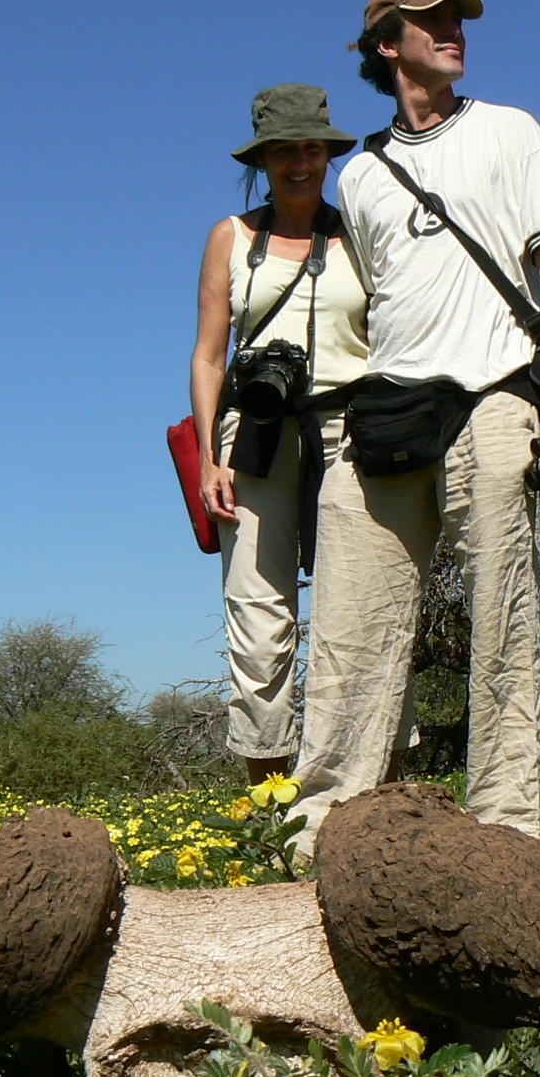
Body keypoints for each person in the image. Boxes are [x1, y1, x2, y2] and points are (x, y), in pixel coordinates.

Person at [292, 0, 540, 849]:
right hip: (388, 408)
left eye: (458, 18)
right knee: (349, 618)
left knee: (502, 610)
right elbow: (373, 306)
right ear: (389, 45)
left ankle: (506, 827)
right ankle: (323, 825)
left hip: (496, 394)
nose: (453, 30)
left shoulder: (511, 131)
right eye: (432, 21)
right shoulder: (362, 176)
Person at [190, 84, 384, 785]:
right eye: (284, 151)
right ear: (264, 160)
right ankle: (270, 801)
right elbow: (210, 353)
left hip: (352, 431)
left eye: (312, 148)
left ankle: (369, 793)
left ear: (328, 154)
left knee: (359, 609)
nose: (300, 163)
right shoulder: (232, 239)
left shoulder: (361, 230)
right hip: (256, 434)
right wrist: (211, 456)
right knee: (259, 616)